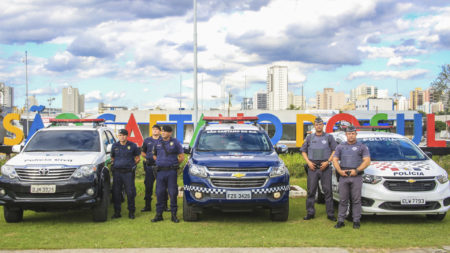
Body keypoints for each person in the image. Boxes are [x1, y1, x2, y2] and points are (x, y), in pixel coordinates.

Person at [332, 125, 371, 229]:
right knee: (343, 200)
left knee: (356, 200)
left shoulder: (362, 146)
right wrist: (339, 171)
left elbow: (367, 161)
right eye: (349, 134)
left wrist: (357, 170)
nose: (351, 136)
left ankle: (356, 221)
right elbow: (335, 159)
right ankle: (341, 221)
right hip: (343, 176)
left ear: (356, 134)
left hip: (356, 176)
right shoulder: (340, 146)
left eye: (353, 133)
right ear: (346, 135)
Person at [301, 117, 337, 221]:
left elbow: (335, 150)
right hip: (312, 167)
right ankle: (310, 213)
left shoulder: (329, 137)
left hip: (325, 167)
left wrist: (328, 161)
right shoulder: (310, 138)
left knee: (328, 192)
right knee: (311, 191)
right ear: (314, 126)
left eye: (320, 124)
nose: (318, 126)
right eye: (317, 124)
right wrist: (308, 162)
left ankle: (330, 214)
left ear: (323, 125)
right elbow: (303, 151)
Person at [151, 125, 184, 223]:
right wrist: (161, 162)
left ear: (170, 133)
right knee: (160, 193)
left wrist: (173, 164)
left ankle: (174, 215)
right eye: (163, 131)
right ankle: (159, 215)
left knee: (173, 193)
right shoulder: (157, 143)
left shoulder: (176, 142)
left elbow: (181, 157)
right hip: (160, 172)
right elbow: (154, 156)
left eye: (165, 131)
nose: (163, 133)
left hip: (171, 172)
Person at [111, 129, 140, 219]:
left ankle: (131, 212)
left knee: (130, 193)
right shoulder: (114, 145)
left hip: (128, 173)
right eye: (120, 135)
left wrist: (131, 165)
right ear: (118, 136)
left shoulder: (132, 145)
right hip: (117, 173)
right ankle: (117, 212)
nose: (121, 137)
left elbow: (137, 158)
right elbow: (112, 158)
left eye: (123, 135)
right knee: (116, 193)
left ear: (127, 136)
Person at [140, 124, 168, 212]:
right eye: (153, 129)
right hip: (149, 167)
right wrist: (148, 157)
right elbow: (143, 152)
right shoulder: (147, 140)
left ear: (160, 131)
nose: (155, 131)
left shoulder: (163, 140)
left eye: (156, 129)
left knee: (162, 187)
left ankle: (165, 206)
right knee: (148, 187)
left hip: (161, 167)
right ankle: (147, 206)